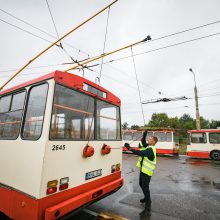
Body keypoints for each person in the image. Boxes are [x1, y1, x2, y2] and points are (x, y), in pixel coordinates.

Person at [124, 131, 158, 217]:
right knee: (141, 184)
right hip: (143, 170)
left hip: (147, 172)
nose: (148, 140)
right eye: (149, 138)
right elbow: (143, 142)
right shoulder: (149, 146)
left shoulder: (151, 149)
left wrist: (130, 148)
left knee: (145, 188)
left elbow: (140, 153)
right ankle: (146, 198)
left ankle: (148, 207)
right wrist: (145, 134)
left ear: (153, 142)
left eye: (150, 139)